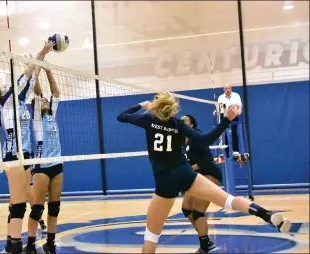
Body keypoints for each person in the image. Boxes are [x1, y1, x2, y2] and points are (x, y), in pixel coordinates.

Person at [117, 92, 291, 253]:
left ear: (157, 106)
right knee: (228, 200)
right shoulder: (178, 124)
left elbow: (121, 116)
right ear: (173, 108)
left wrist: (142, 105)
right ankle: (266, 214)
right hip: (184, 173)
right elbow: (206, 139)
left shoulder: (148, 119)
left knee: (151, 236)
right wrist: (227, 119)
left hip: (164, 181)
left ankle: (202, 242)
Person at [0, 41, 54, 254]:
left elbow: (32, 77)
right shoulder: (7, 103)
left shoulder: (18, 102)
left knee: (23, 199)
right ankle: (15, 246)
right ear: (1, 96)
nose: (7, 86)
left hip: (24, 156)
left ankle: (10, 243)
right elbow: (25, 74)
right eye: (4, 87)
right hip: (13, 157)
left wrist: (40, 58)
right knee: (18, 204)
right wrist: (41, 51)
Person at [24, 67, 62, 254]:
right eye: (43, 101)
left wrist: (49, 71)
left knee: (54, 207)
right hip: (41, 166)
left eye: (47, 101)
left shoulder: (51, 114)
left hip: (57, 165)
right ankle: (30, 244)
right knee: (37, 209)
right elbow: (39, 92)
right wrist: (35, 67)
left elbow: (55, 92)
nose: (46, 100)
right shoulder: (37, 118)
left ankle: (50, 243)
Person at [180, 114, 222, 253]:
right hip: (197, 177)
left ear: (191, 125)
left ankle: (205, 245)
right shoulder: (182, 141)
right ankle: (205, 239)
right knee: (186, 209)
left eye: (185, 121)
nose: (181, 122)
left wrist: (190, 169)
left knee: (198, 211)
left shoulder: (196, 136)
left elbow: (208, 159)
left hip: (210, 175)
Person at [217, 83, 248, 161]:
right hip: (224, 116)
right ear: (223, 89)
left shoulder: (236, 95)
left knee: (234, 132)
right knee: (225, 134)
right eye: (226, 88)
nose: (227, 90)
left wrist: (240, 110)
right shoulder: (220, 97)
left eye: (229, 88)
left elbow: (239, 104)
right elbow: (219, 107)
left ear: (231, 88)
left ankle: (235, 151)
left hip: (234, 115)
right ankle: (226, 152)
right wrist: (217, 111)